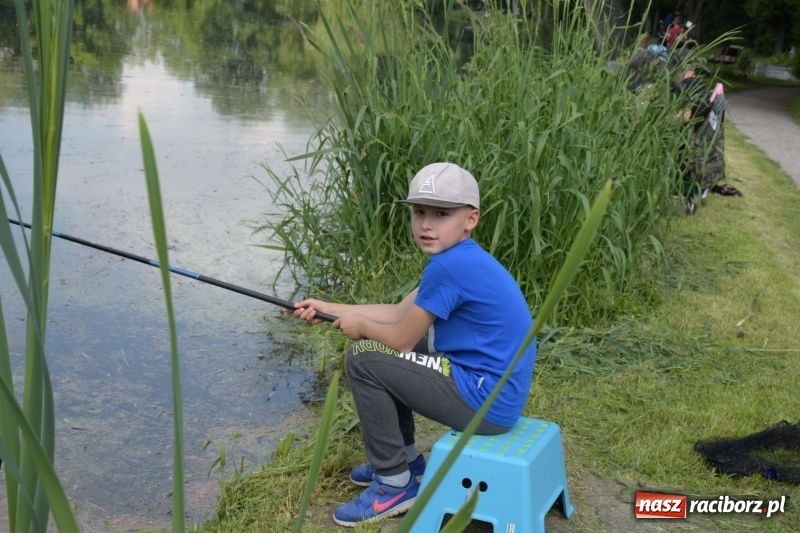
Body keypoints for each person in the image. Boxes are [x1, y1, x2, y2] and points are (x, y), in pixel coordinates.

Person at [292, 162, 537, 527]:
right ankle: (407, 463)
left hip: (485, 404)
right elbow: (396, 313)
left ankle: (393, 485)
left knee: (364, 359)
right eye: (419, 212)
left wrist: (359, 327)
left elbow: (401, 339)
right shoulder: (460, 259)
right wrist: (328, 307)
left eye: (441, 214)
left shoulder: (449, 267)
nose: (425, 224)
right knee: (380, 354)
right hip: (495, 394)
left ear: (471, 218)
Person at [671, 65, 727, 214]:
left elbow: (680, 118)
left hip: (695, 166)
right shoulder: (703, 88)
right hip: (710, 166)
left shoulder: (689, 88)